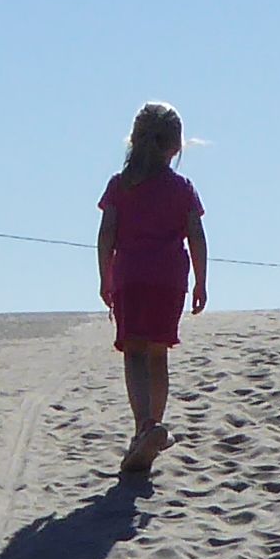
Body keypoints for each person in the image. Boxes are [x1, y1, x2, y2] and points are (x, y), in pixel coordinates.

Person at [96, 101, 208, 474]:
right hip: (169, 280)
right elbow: (196, 235)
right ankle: (153, 426)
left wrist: (104, 275)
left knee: (134, 353)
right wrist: (202, 282)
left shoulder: (119, 186)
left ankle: (143, 426)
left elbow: (106, 233)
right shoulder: (181, 188)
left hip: (131, 277)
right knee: (159, 354)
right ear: (175, 147)